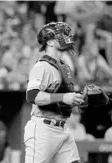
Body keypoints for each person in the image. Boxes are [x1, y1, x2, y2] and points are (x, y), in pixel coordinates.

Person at [24, 22, 85, 163]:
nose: (66, 38)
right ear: (50, 42)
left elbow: (65, 100)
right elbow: (32, 96)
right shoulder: (42, 66)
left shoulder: (65, 67)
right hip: (43, 130)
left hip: (62, 127)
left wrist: (83, 99)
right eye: (61, 36)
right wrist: (64, 97)